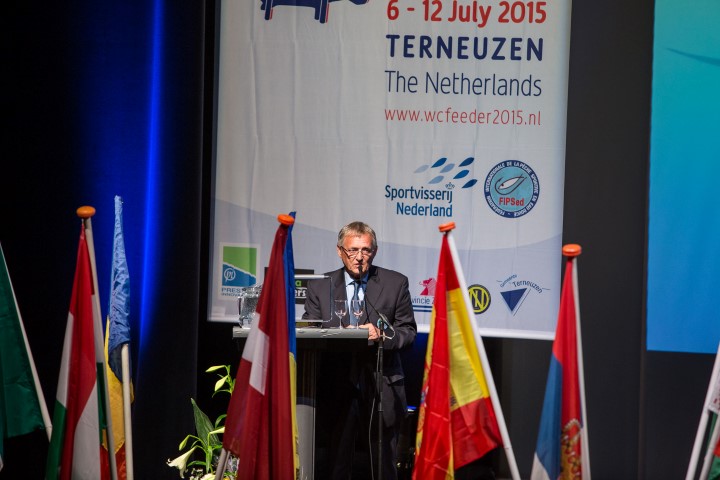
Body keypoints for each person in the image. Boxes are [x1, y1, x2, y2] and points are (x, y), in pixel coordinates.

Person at [303, 221, 417, 480]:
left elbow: (408, 332)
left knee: (383, 465)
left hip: (381, 385)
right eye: (352, 250)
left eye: (365, 250)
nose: (359, 257)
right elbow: (311, 331)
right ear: (339, 251)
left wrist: (382, 335)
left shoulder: (395, 283)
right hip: (337, 384)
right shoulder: (320, 287)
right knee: (336, 464)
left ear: (374, 252)